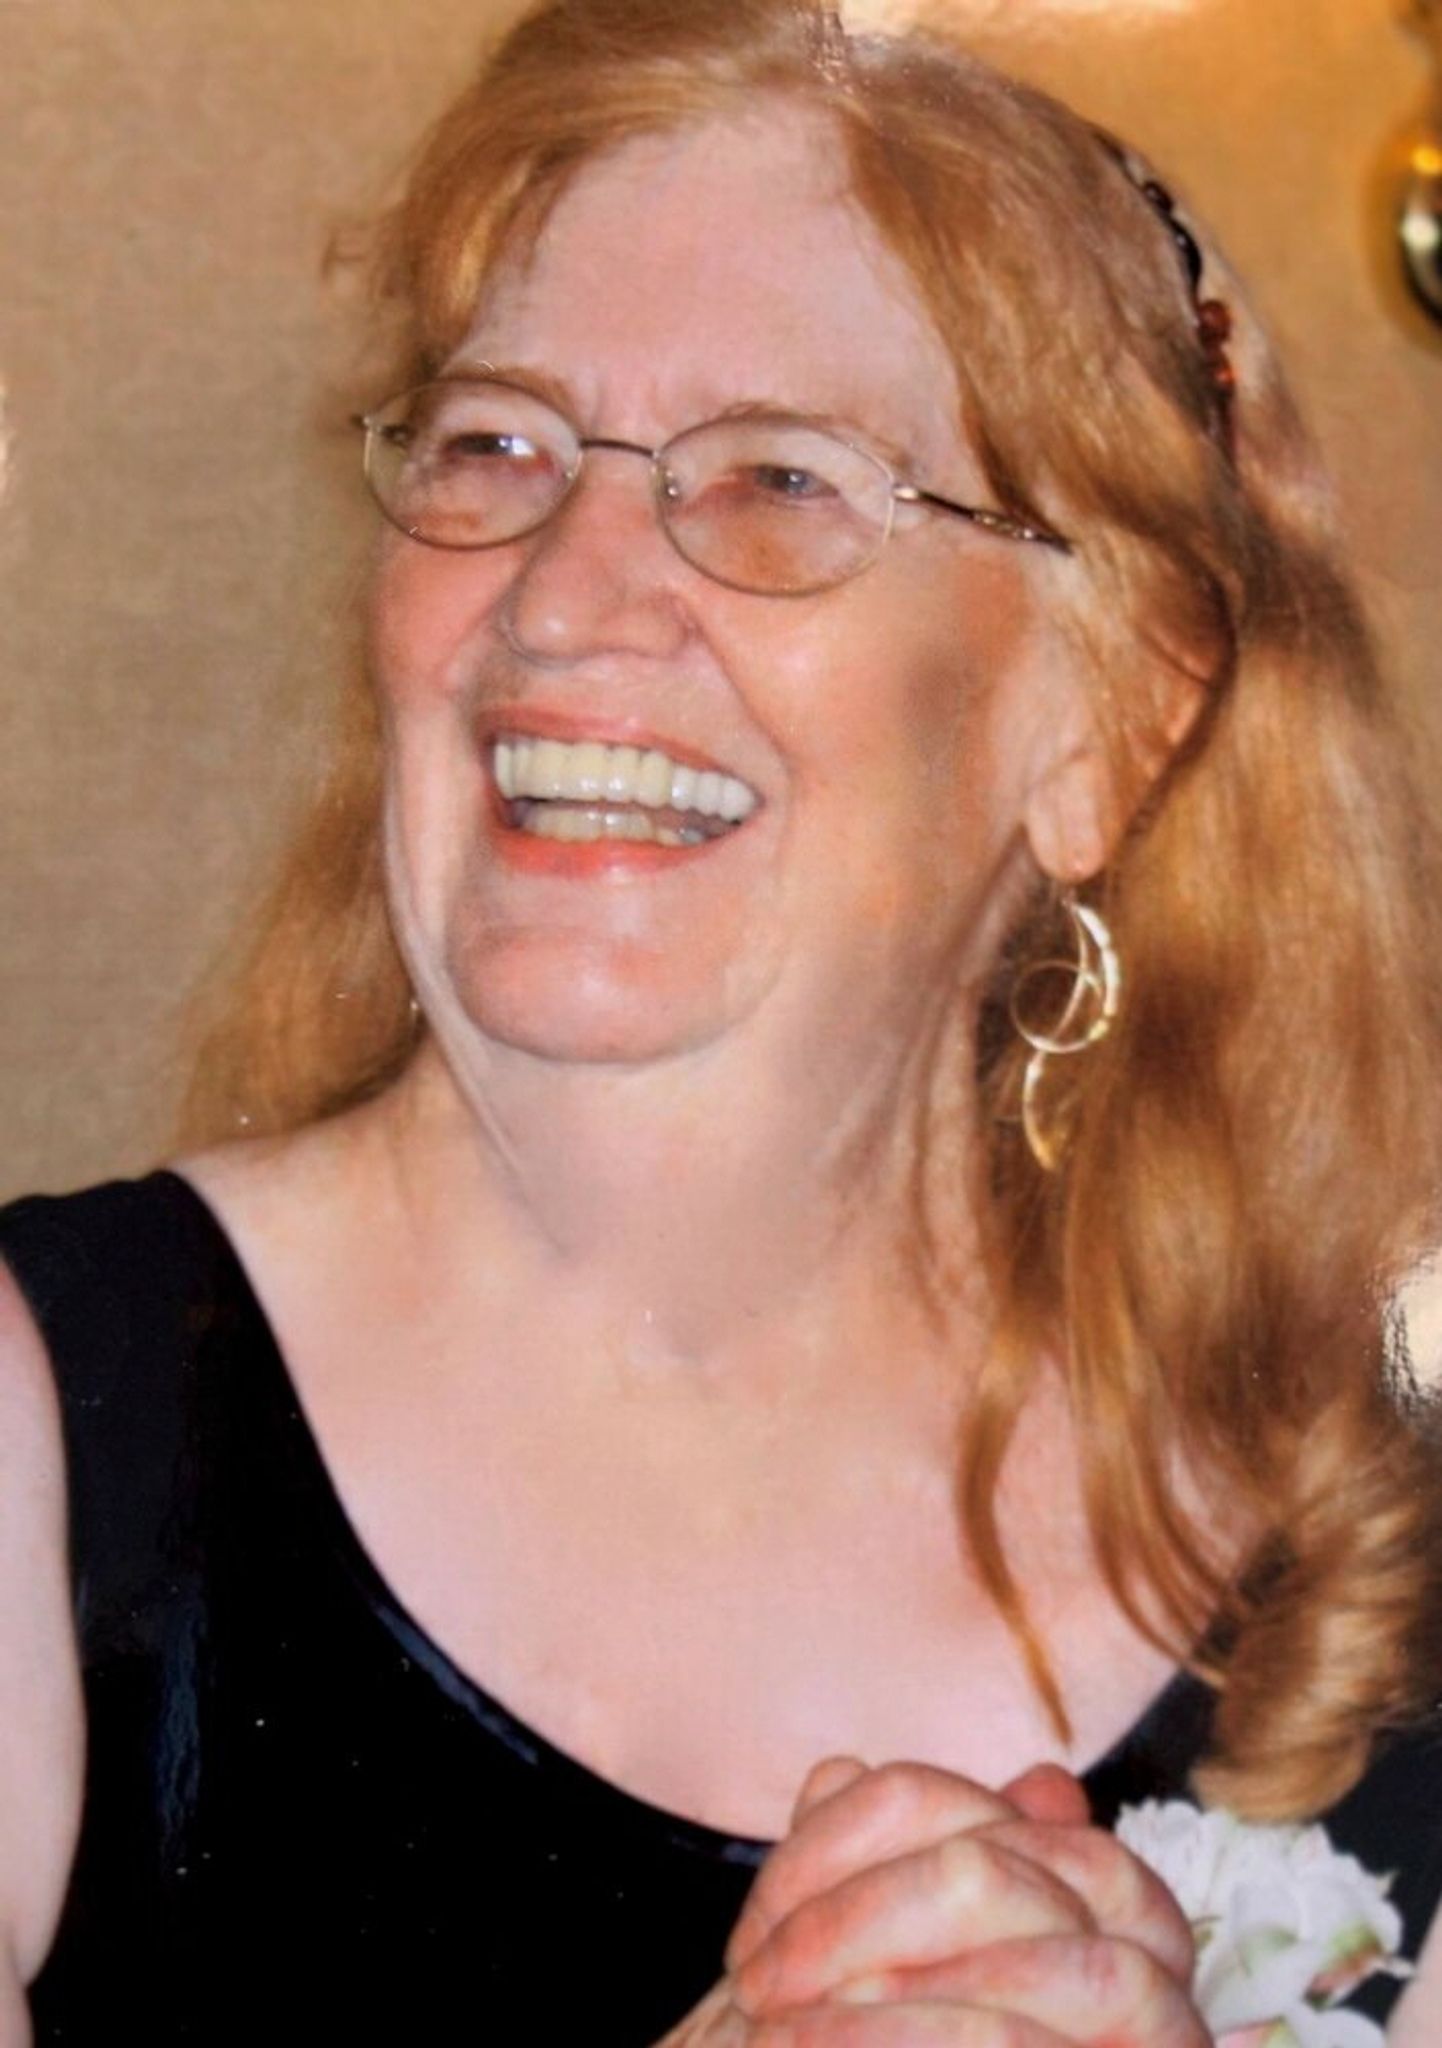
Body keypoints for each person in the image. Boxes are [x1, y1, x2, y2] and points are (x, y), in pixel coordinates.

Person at [2, 0, 1440, 2040]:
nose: (560, 596)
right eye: (495, 444)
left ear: (1115, 715)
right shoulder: (43, 1438)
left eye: (778, 478)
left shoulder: (1388, 1561)